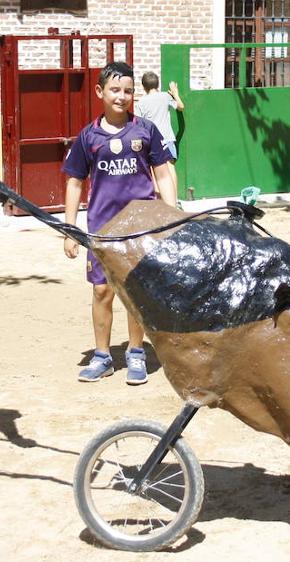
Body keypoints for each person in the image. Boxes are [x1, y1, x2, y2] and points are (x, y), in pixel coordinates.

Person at [62, 62, 177, 384]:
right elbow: (74, 182)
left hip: (140, 226)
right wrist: (70, 228)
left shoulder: (145, 131)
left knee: (136, 292)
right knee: (102, 292)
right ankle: (102, 356)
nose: (121, 96)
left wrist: (171, 218)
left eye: (128, 91)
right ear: (100, 92)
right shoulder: (89, 137)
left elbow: (164, 173)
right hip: (102, 228)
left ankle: (136, 352)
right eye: (115, 90)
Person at [134, 71, 184, 160]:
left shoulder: (141, 103)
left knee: (155, 172)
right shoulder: (165, 96)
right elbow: (181, 107)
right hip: (167, 139)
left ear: (144, 87)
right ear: (157, 84)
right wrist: (175, 93)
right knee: (171, 171)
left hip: (152, 142)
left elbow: (138, 125)